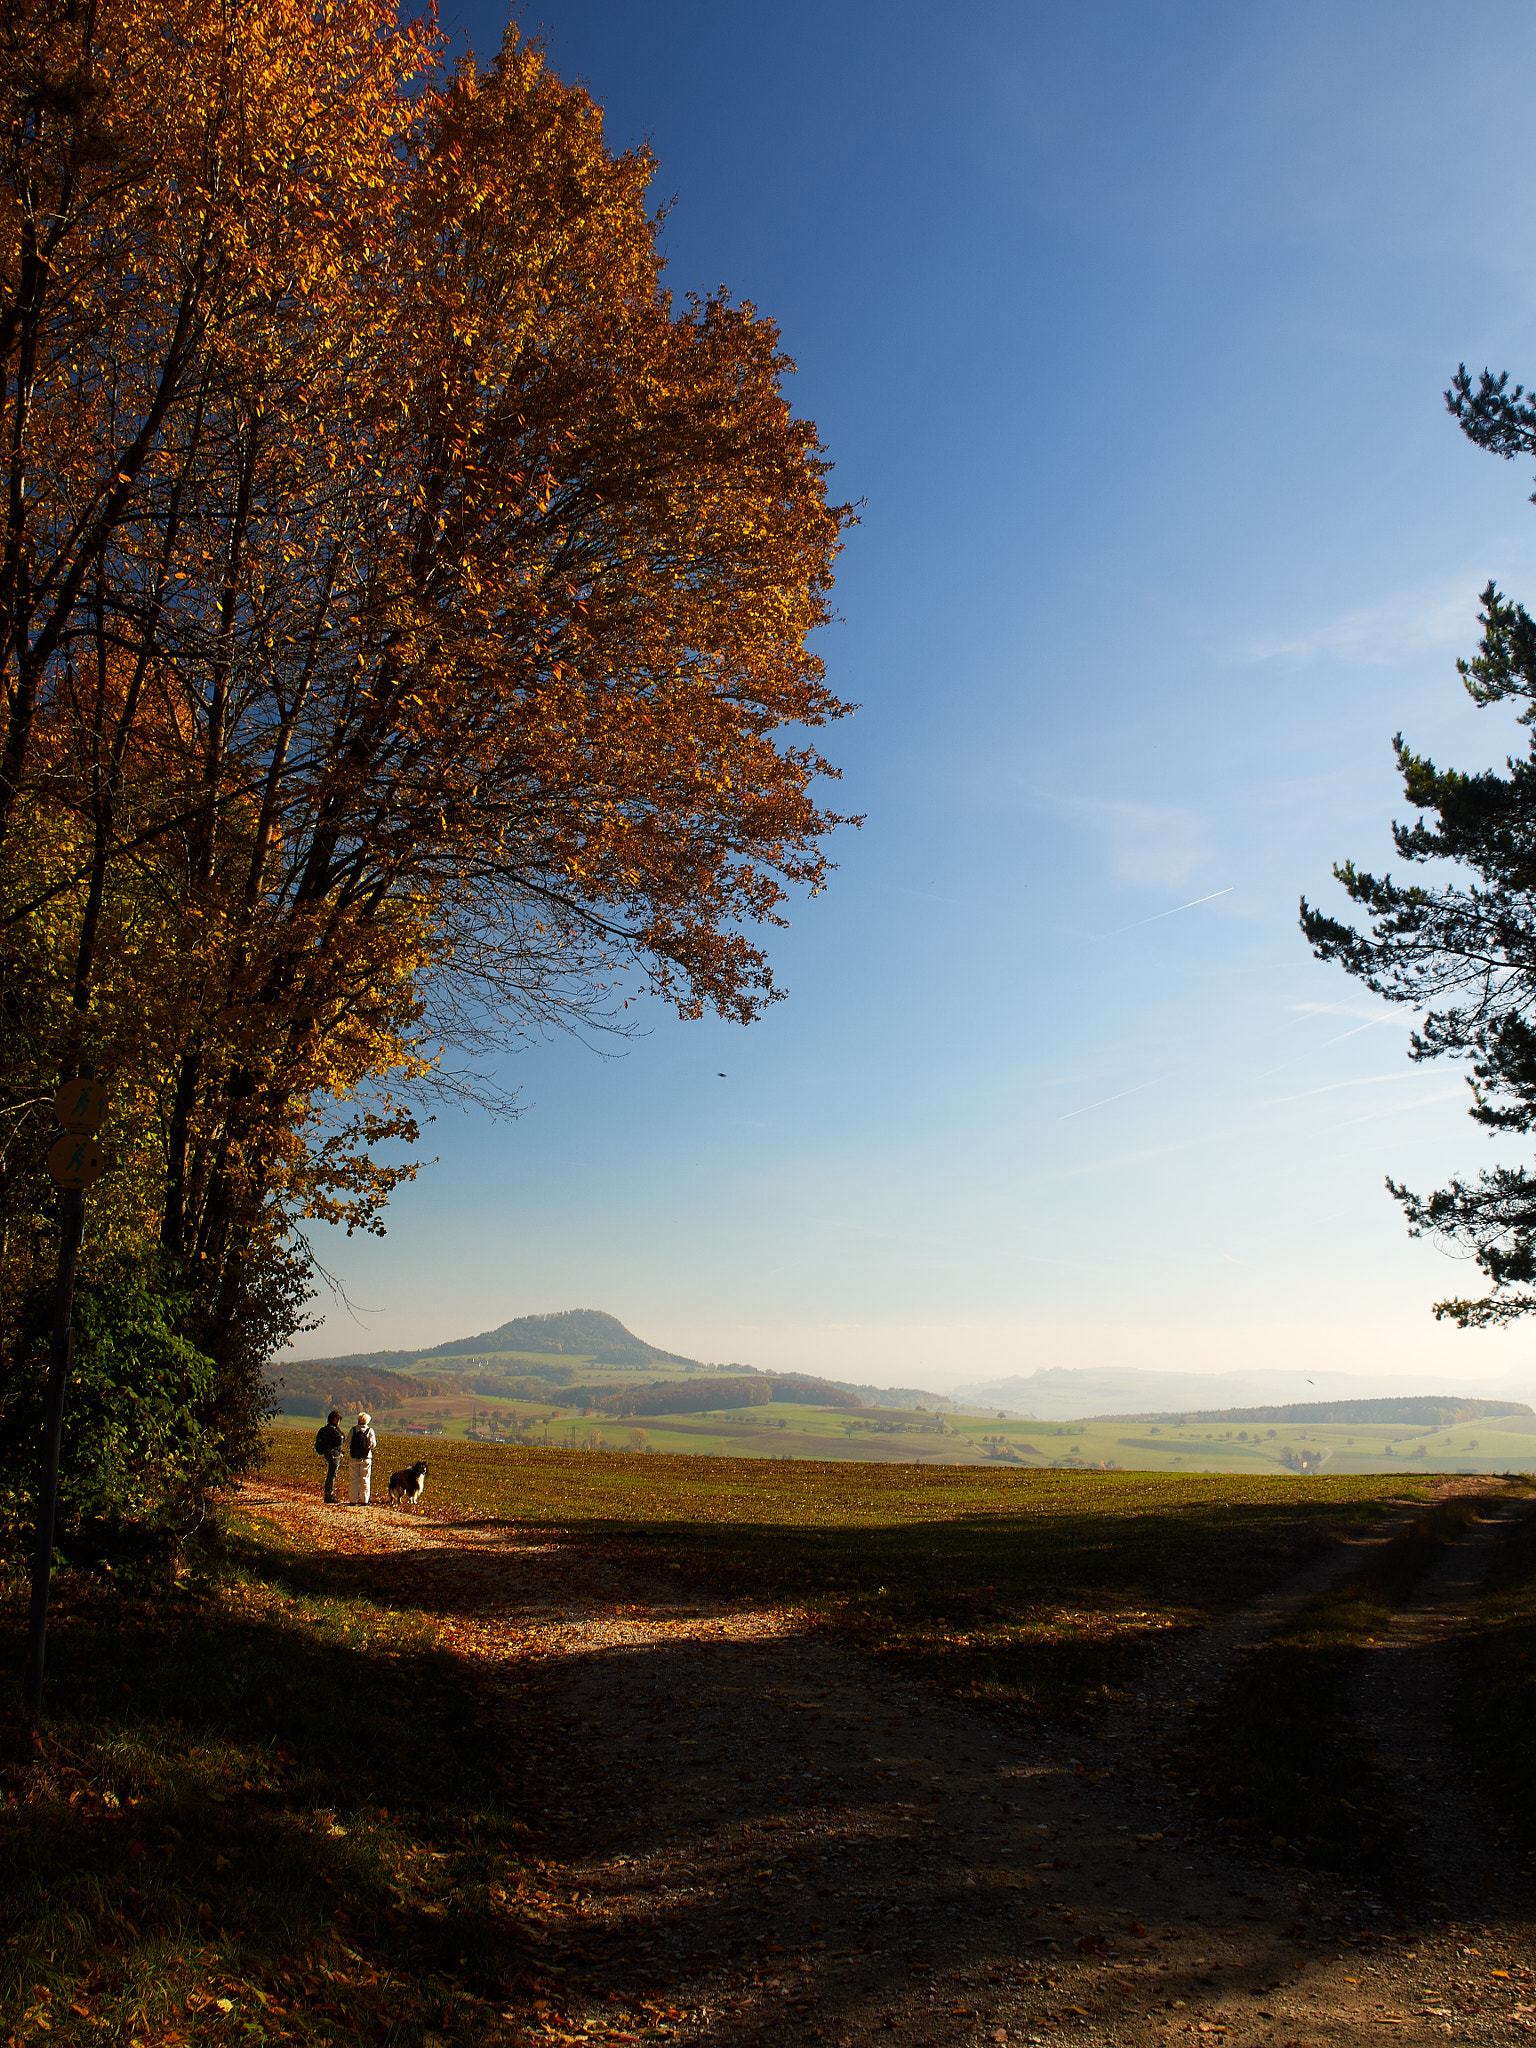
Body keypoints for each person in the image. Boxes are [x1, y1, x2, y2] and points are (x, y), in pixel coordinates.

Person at [314, 1408, 344, 1503]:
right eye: (337, 1419)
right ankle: (329, 1494)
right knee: (332, 1474)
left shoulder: (330, 1429)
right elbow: (340, 1439)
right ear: (333, 1419)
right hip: (333, 1454)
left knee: (332, 1474)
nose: (338, 1421)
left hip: (332, 1453)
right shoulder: (331, 1430)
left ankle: (329, 1493)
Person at [348, 1411, 377, 1505]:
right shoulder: (370, 1431)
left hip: (353, 1458)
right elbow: (373, 1445)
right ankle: (364, 1500)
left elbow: (348, 1443)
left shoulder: (353, 1430)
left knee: (353, 1479)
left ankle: (352, 1500)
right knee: (365, 1479)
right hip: (366, 1458)